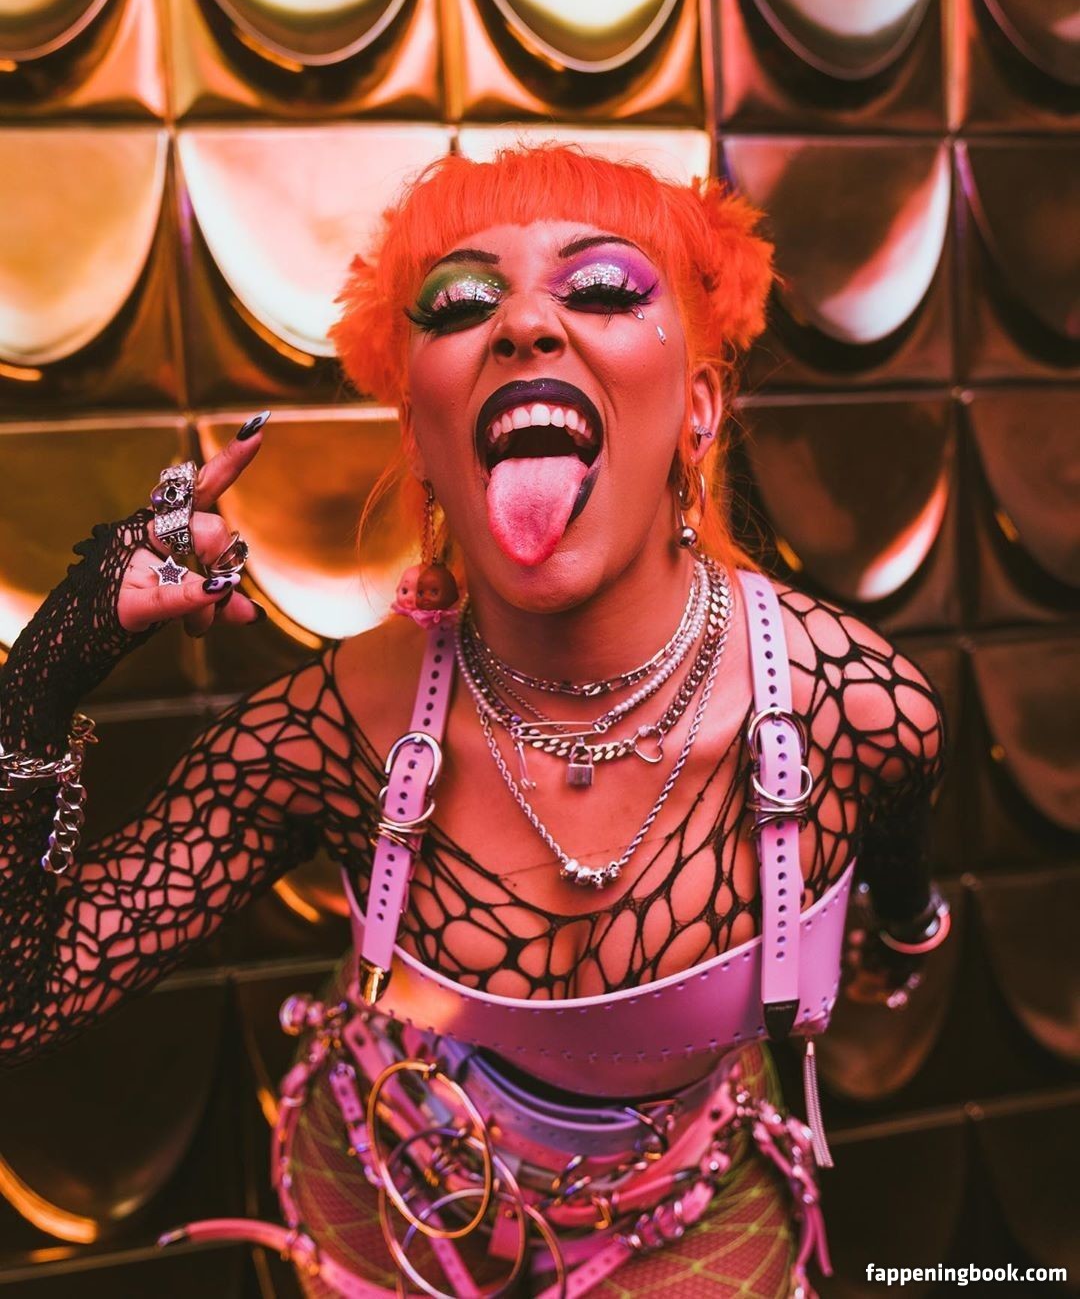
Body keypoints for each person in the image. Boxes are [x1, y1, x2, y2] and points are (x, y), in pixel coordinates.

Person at [0, 146, 949, 1298]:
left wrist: (901, 932)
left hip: (691, 1219)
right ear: (422, 434)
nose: (525, 324)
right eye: (461, 303)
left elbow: (906, 915)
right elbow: (20, 998)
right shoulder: (334, 730)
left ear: (698, 408)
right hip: (391, 1201)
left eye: (601, 288)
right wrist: (45, 672)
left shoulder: (856, 706)